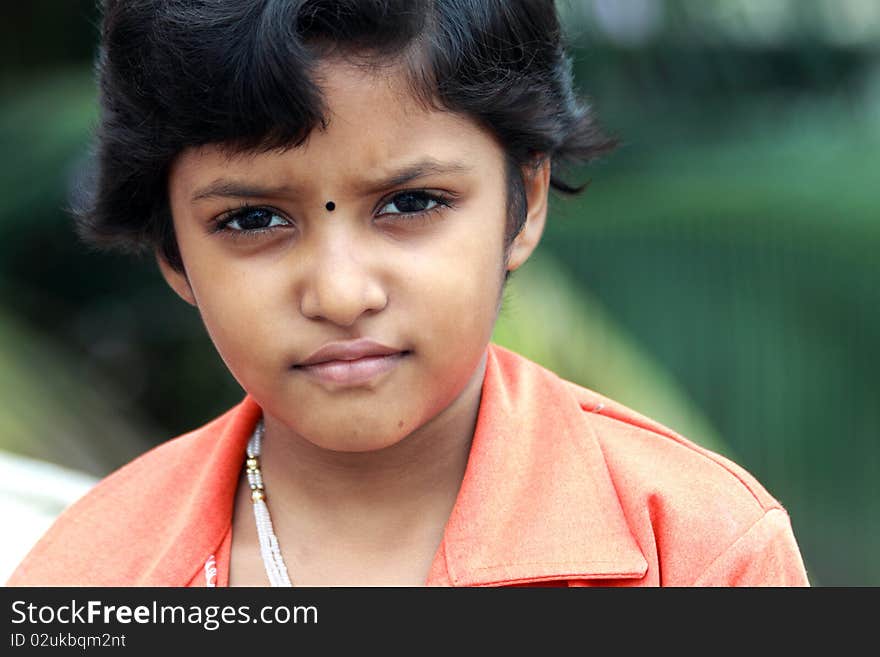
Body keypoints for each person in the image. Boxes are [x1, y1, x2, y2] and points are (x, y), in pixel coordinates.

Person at [8, 0, 808, 587]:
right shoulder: (88, 578)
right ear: (172, 253)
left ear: (521, 205)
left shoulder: (699, 552)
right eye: (253, 218)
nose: (341, 292)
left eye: (411, 203)